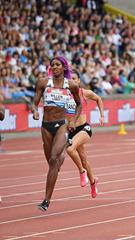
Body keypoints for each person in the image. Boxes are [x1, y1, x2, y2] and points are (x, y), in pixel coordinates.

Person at [32, 57, 82, 211]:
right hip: (46, 126)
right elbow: (34, 103)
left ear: (64, 67)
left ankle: (46, 201)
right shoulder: (43, 82)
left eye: (57, 65)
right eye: (52, 65)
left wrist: (73, 120)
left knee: (53, 160)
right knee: (52, 163)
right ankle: (61, 156)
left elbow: (79, 104)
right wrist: (34, 111)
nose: (54, 67)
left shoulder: (71, 85)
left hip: (62, 125)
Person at [66, 69, 104, 198]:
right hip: (71, 130)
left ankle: (82, 172)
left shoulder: (84, 93)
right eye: (70, 79)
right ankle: (93, 182)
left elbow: (98, 98)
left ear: (79, 81)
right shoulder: (64, 94)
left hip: (83, 128)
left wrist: (102, 116)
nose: (73, 81)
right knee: (83, 159)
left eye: (75, 79)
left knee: (70, 150)